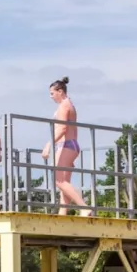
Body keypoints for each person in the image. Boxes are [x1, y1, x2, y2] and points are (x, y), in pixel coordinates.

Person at [46, 77, 87, 215]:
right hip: (71, 145)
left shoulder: (64, 105)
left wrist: (48, 145)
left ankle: (84, 207)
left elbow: (62, 128)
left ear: (60, 91)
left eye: (52, 93)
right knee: (65, 184)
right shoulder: (69, 104)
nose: (51, 97)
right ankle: (62, 214)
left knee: (60, 181)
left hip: (66, 145)